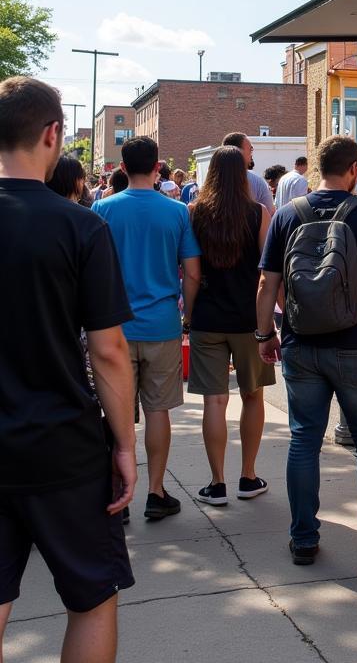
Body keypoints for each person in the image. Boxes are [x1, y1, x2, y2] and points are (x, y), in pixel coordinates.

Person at [0, 77, 136, 663]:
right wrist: (125, 446)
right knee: (91, 600)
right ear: (53, 133)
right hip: (64, 447)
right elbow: (107, 351)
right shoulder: (81, 227)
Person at [255, 135, 357, 566]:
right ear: (352, 171)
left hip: (300, 346)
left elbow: (267, 285)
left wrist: (266, 334)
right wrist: (353, 307)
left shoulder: (288, 215)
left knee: (304, 440)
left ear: (316, 170)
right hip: (355, 345)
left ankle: (304, 539)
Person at [94, 136, 201, 521]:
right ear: (158, 168)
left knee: (114, 412)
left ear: (122, 168)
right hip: (162, 325)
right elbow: (191, 271)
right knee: (158, 411)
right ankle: (156, 493)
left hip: (114, 329)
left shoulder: (102, 208)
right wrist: (187, 315)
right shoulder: (176, 212)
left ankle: (116, 495)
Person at [187, 146, 274, 506]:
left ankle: (217, 483)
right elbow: (266, 273)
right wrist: (268, 324)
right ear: (243, 175)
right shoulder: (259, 214)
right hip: (247, 319)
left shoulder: (194, 213)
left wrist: (190, 316)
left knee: (214, 400)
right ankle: (248, 477)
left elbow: (191, 273)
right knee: (252, 396)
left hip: (208, 317)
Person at [223, 132, 275, 214]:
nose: (251, 154)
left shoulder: (211, 179)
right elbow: (270, 213)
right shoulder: (257, 181)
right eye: (250, 150)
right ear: (238, 152)